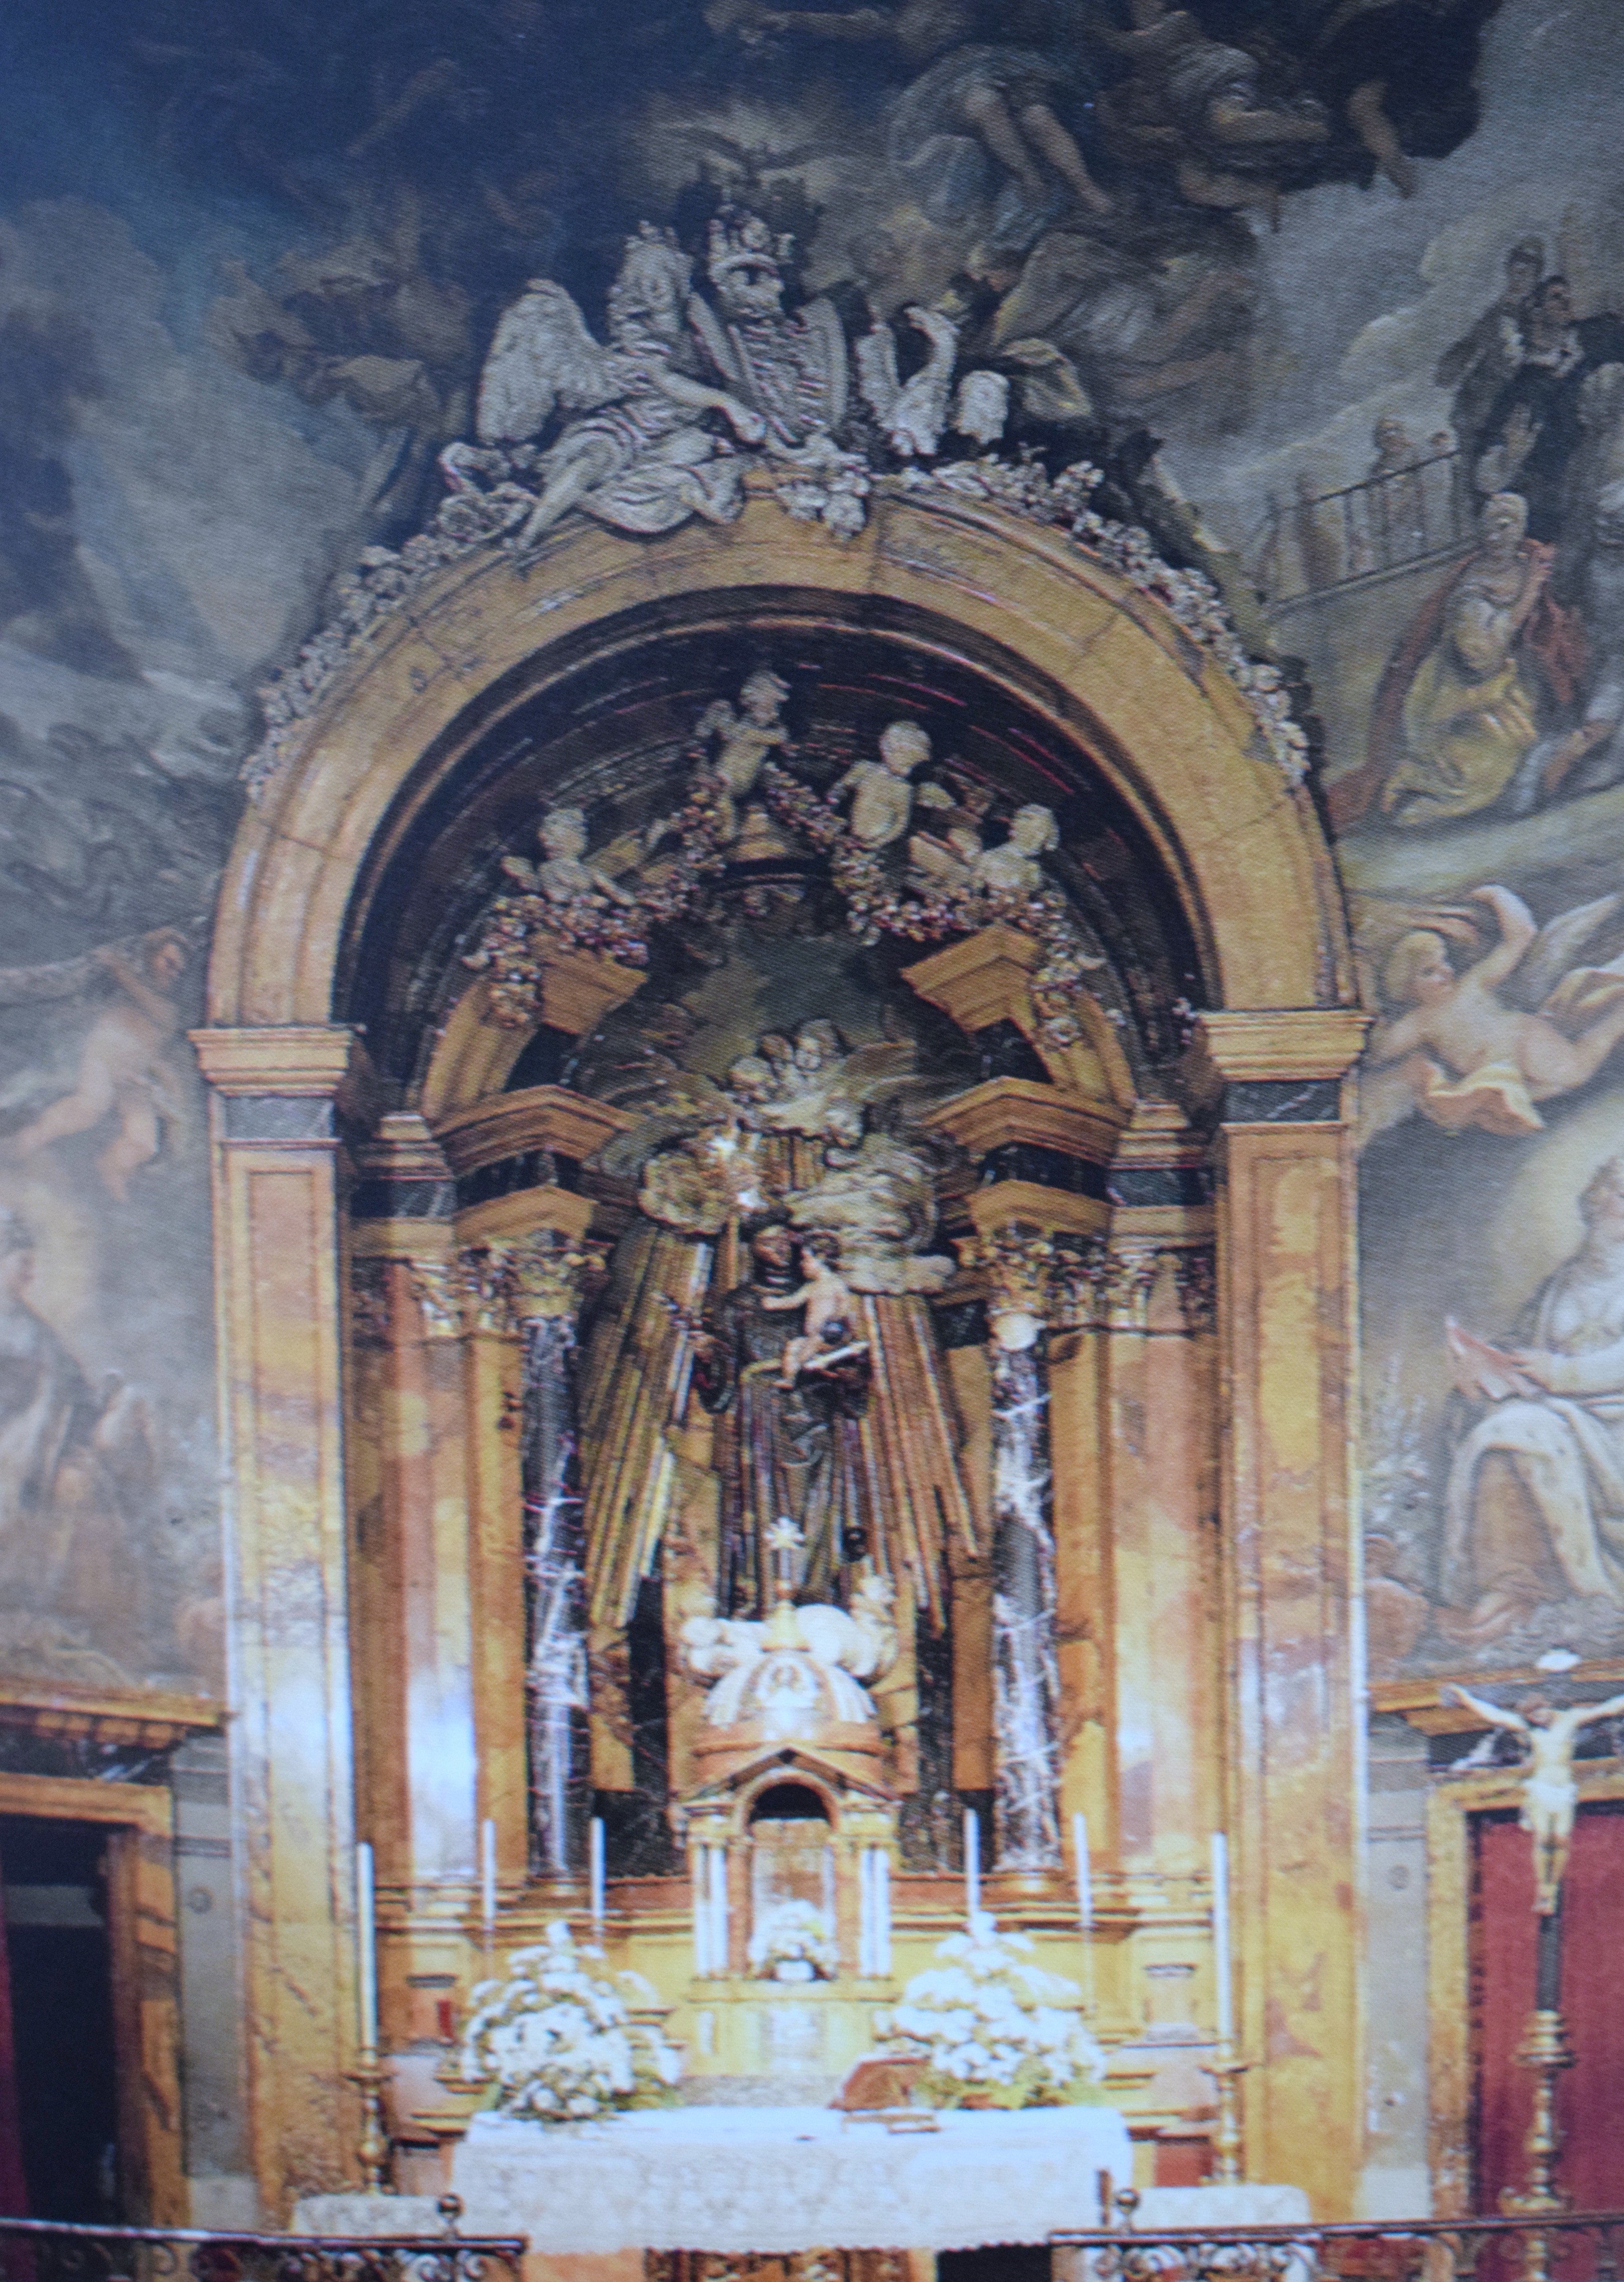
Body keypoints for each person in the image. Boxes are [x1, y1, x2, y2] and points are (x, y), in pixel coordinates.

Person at [1438, 1156, 1624, 1649]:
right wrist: (1482, 1366)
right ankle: (1514, 1589)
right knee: (1510, 1429)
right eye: (1623, 1196)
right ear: (1596, 1201)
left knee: (1523, 1427)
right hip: (1564, 1418)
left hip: (1616, 1430)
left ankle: (1584, 1591)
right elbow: (1524, 1344)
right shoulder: (1565, 1281)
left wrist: (1562, 1374)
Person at [1337, 491, 1583, 833]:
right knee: (1485, 756)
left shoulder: (1529, 562)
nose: (1495, 536)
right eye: (1489, 527)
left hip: (1508, 682)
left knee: (1532, 742)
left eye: (1506, 526)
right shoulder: (1473, 584)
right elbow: (1479, 651)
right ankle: (1419, 795)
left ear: (1520, 528)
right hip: (1460, 691)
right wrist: (1528, 593)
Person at [692, 1223, 873, 1612]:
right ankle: (764, 1598)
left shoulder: (826, 1291)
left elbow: (848, 1356)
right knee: (765, 1502)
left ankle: (818, 1595)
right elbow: (721, 1387)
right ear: (752, 1247)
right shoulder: (738, 1303)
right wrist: (708, 1357)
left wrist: (851, 1375)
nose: (779, 1248)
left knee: (818, 1500)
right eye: (767, 1240)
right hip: (764, 1412)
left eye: (785, 1240)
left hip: (817, 1407)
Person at [1359, 884, 1624, 1145]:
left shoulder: (1471, 984)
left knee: (1575, 1071)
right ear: (1408, 985)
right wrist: (1364, 985)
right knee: (1511, 1092)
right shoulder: (1419, 1022)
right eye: (1429, 972)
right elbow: (1377, 1051)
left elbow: (1521, 935)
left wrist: (1499, 896)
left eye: (1444, 963)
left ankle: (1618, 1018)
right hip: (1497, 1074)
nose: (1445, 972)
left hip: (1523, 1041)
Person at [8, 930, 193, 1203]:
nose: (173, 972)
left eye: (178, 969)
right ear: (151, 957)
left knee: (143, 1142)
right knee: (89, 1107)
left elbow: (160, 1018)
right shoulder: (120, 987)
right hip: (105, 1058)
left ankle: (111, 1171)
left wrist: (119, 967)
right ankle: (22, 1145)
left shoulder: (162, 1004)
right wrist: (114, 965)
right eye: (169, 962)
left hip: (135, 1076)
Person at [1440, 1683, 1624, 1910]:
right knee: (1544, 1838)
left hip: (1564, 1789)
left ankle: (1552, 1887)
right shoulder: (1530, 1729)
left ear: (1547, 1707)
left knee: (1561, 1839)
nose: (1539, 1719)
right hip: (1542, 1788)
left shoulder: (1569, 1719)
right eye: (1534, 1717)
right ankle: (1543, 1889)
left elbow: (1607, 1709)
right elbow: (1495, 1716)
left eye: (1541, 1713)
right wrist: (1466, 1697)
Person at [1474, 276, 1624, 542]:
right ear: (1536, 312)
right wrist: (1510, 453)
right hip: (1558, 490)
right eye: (1556, 297)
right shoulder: (1520, 387)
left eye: (1568, 295)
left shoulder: (1598, 335)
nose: (1566, 301)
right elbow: (1491, 459)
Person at [1434, 236, 1544, 452]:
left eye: (1527, 270)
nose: (1520, 276)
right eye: (1516, 268)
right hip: (1481, 400)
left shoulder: (1539, 311)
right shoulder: (1495, 312)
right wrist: (1450, 367)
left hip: (1519, 398)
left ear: (1535, 276)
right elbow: (1472, 343)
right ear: (1509, 270)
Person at [830, 720, 953, 847]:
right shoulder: (865, 769)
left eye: (911, 761)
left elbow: (901, 823)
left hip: (869, 842)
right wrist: (834, 799)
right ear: (887, 747)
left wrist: (878, 843)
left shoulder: (904, 789)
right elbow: (842, 786)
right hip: (851, 833)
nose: (907, 764)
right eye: (902, 754)